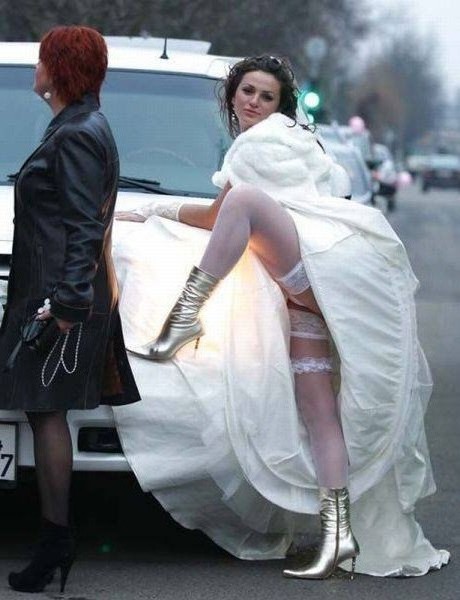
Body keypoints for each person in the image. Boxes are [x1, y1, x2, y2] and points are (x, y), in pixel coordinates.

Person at [113, 55, 448, 578]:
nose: (254, 102)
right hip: (304, 300)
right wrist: (155, 209)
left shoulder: (267, 142)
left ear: (280, 107)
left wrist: (156, 211)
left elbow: (232, 211)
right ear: (232, 95)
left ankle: (185, 315)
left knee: (245, 201)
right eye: (247, 91)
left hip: (325, 276)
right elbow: (216, 216)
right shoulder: (274, 145)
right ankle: (338, 539)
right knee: (320, 415)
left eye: (266, 96)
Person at [0, 26, 140, 594]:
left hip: (58, 297)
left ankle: (55, 541)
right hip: (49, 291)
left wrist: (65, 305)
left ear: (58, 69)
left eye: (42, 60)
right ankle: (54, 540)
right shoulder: (77, 125)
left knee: (46, 412)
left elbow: (85, 227)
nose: (36, 70)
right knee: (42, 412)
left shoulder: (79, 133)